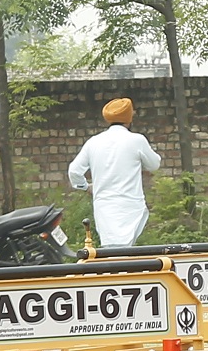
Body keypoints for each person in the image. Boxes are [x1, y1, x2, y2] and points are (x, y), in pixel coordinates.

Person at [69, 98, 163, 247]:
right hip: (130, 204)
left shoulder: (94, 142)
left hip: (104, 205)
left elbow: (74, 171)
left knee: (111, 250)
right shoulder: (136, 140)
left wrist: (86, 187)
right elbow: (154, 165)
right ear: (129, 118)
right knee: (125, 249)